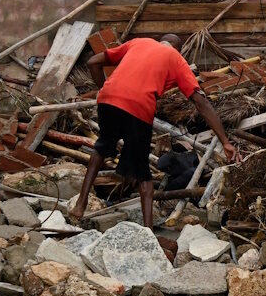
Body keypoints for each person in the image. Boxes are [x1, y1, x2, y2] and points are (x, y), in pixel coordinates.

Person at [69, 33, 239, 228]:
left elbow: (93, 62)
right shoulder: (176, 59)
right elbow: (201, 102)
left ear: (160, 42)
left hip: (108, 98)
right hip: (139, 107)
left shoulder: (138, 42)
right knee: (143, 172)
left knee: (101, 148)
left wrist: (104, 89)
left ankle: (80, 206)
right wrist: (225, 141)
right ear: (179, 49)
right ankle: (148, 230)